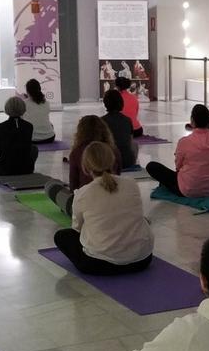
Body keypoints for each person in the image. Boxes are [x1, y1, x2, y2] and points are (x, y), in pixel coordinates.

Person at [54, 142, 153, 275]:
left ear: (86, 166)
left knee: (62, 236)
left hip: (99, 265)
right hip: (141, 260)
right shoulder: (131, 184)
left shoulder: (83, 193)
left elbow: (77, 228)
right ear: (113, 161)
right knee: (142, 222)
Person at [45, 115, 121, 214]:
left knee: (50, 185)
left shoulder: (77, 152)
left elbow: (74, 186)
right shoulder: (114, 150)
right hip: (112, 202)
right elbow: (118, 176)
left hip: (84, 206)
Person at [145, 105, 209, 198]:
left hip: (190, 189)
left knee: (152, 166)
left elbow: (178, 166)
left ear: (192, 120)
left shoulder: (185, 141)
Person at [101, 88, 137, 168]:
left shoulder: (102, 121)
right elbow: (130, 140)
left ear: (105, 103)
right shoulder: (127, 120)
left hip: (110, 162)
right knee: (135, 144)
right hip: (127, 161)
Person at [22, 79, 56, 143]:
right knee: (50, 125)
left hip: (31, 139)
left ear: (27, 91)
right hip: (49, 137)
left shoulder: (24, 103)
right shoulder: (46, 103)